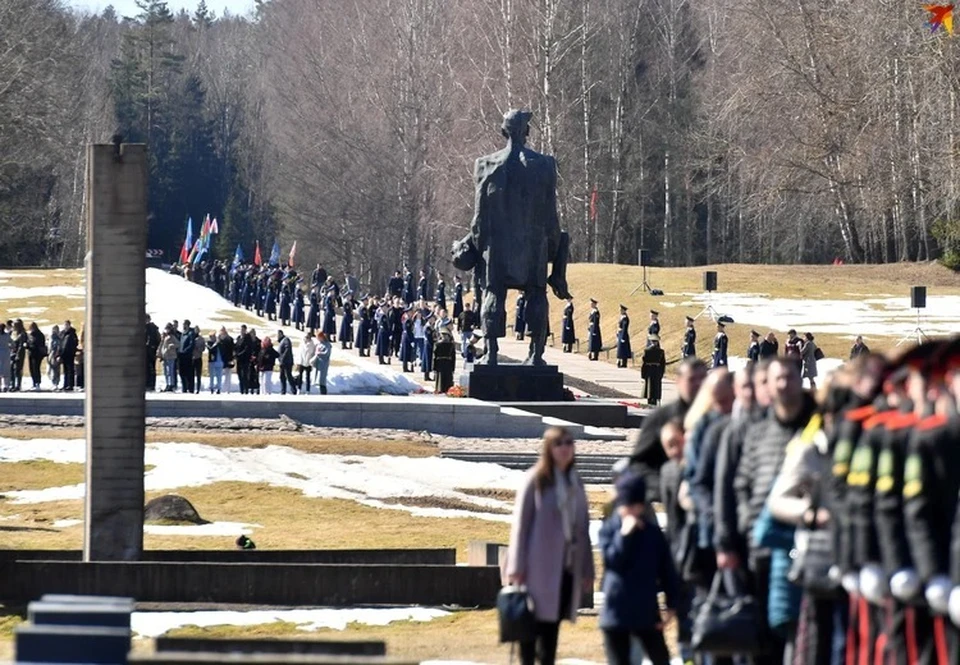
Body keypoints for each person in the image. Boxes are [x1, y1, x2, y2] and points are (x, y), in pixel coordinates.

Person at [734, 358, 816, 664]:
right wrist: (747, 522)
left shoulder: (816, 426)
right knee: (763, 638)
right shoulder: (757, 431)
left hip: (806, 547)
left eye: (789, 378)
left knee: (802, 636)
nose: (783, 385)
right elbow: (742, 482)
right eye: (777, 379)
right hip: (762, 547)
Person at [506, 427, 594, 665]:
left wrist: (587, 569)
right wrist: (516, 566)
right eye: (559, 443)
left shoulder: (575, 481)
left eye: (569, 443)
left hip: (565, 567)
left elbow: (583, 528)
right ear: (549, 449)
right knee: (529, 629)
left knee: (551, 629)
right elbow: (521, 526)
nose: (565, 448)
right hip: (536, 568)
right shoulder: (536, 479)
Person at [599, 471, 679, 665]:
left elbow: (666, 569)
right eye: (626, 506)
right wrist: (624, 536)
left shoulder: (652, 534)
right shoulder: (610, 529)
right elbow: (612, 560)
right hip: (616, 613)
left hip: (646, 611)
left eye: (636, 506)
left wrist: (672, 603)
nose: (631, 511)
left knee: (661, 658)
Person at [630, 357, 708, 502]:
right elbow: (638, 465)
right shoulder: (661, 418)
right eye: (692, 379)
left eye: (702, 379)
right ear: (678, 381)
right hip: (671, 497)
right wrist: (667, 488)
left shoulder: (717, 416)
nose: (698, 385)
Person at [433, 326, 457, 394]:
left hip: (440, 363)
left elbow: (434, 356)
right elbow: (453, 358)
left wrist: (434, 367)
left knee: (440, 378)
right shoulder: (451, 345)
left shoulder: (437, 344)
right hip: (448, 363)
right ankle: (447, 390)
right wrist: (453, 368)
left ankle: (440, 389)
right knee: (447, 378)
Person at [26, 322, 47, 391]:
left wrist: (28, 346)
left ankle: (37, 383)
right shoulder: (31, 335)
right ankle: (34, 382)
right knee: (32, 369)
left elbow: (37, 345)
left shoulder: (39, 335)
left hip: (37, 354)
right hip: (31, 354)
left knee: (36, 368)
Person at [178, 320, 196, 394]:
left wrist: (185, 351)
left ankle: (190, 388)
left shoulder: (191, 333)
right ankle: (184, 388)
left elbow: (191, 344)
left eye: (184, 324)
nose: (183, 326)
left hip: (187, 356)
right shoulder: (183, 333)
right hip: (181, 355)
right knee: (182, 372)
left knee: (189, 373)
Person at [158, 326, 178, 391]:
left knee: (170, 371)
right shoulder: (164, 337)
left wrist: (172, 345)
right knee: (166, 372)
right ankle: (167, 384)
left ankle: (171, 384)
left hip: (171, 356)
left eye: (167, 329)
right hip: (165, 357)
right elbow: (162, 346)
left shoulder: (172, 337)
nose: (166, 330)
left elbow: (178, 344)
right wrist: (160, 354)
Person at [277, 330, 297, 395]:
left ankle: (294, 390)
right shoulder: (281, 341)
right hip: (282, 362)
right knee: (282, 376)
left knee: (288, 376)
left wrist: (282, 358)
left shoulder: (286, 340)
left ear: (281, 334)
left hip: (287, 362)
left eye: (278, 334)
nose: (278, 336)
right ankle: (283, 391)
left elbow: (287, 349)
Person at [60, 320, 78, 392]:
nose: (66, 326)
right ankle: (65, 384)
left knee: (70, 370)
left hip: (70, 354)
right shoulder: (63, 333)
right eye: (65, 325)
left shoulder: (72, 333)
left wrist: (72, 350)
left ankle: (70, 385)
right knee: (65, 370)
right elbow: (61, 344)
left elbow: (74, 343)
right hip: (64, 354)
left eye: (67, 325)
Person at [235, 325, 252, 394]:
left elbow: (247, 349)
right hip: (239, 360)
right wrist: (235, 354)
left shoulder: (247, 338)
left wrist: (239, 354)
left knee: (244, 375)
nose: (242, 331)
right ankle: (241, 390)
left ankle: (246, 390)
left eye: (243, 330)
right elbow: (236, 346)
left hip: (245, 360)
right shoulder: (239, 338)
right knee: (239, 375)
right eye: (241, 329)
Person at [145, 315, 160, 391]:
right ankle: (147, 383)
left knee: (151, 368)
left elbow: (158, 339)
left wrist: (153, 347)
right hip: (145, 351)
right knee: (146, 368)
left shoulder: (153, 328)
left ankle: (151, 384)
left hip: (151, 351)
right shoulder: (144, 328)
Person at [192, 326, 205, 393]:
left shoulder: (201, 339)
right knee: (191, 374)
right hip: (191, 358)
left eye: (197, 330)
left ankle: (198, 389)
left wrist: (198, 349)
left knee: (198, 374)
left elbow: (203, 348)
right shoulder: (191, 337)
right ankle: (191, 388)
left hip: (198, 358)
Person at [0, 323, 10, 392]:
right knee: (5, 370)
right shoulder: (7, 335)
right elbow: (12, 343)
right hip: (6, 353)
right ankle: (5, 385)